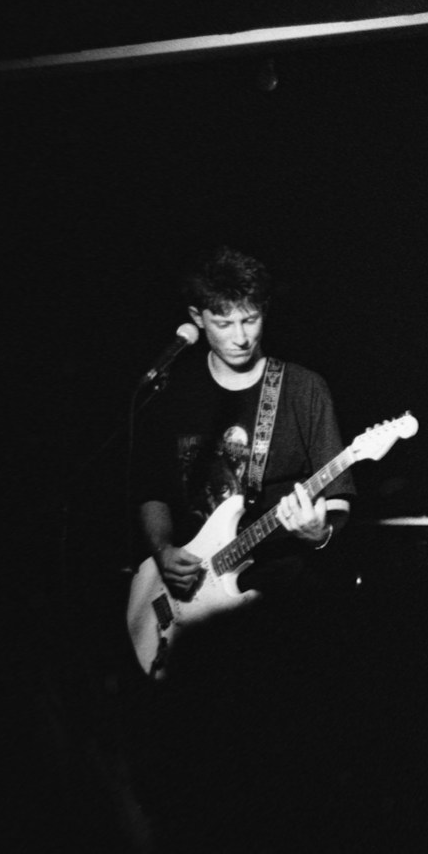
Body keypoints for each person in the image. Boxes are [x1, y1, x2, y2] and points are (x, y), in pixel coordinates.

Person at [131, 246, 354, 605]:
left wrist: (320, 533)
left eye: (249, 320)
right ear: (197, 317)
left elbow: (339, 497)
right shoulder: (172, 394)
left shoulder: (303, 388)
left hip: (280, 592)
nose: (240, 337)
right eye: (223, 323)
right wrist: (162, 550)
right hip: (187, 595)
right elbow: (151, 490)